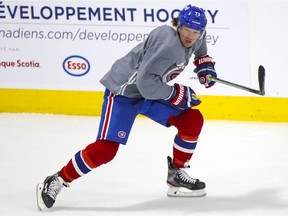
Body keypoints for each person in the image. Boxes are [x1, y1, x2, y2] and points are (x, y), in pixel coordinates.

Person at [36, 4, 217, 210]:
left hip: (150, 89)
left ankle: (176, 174)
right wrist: (177, 94)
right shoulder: (168, 45)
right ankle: (57, 179)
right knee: (106, 150)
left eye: (196, 32)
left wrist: (205, 66)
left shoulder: (197, 33)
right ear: (179, 25)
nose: (190, 36)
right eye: (187, 30)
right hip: (125, 92)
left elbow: (200, 48)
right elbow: (145, 84)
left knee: (192, 120)